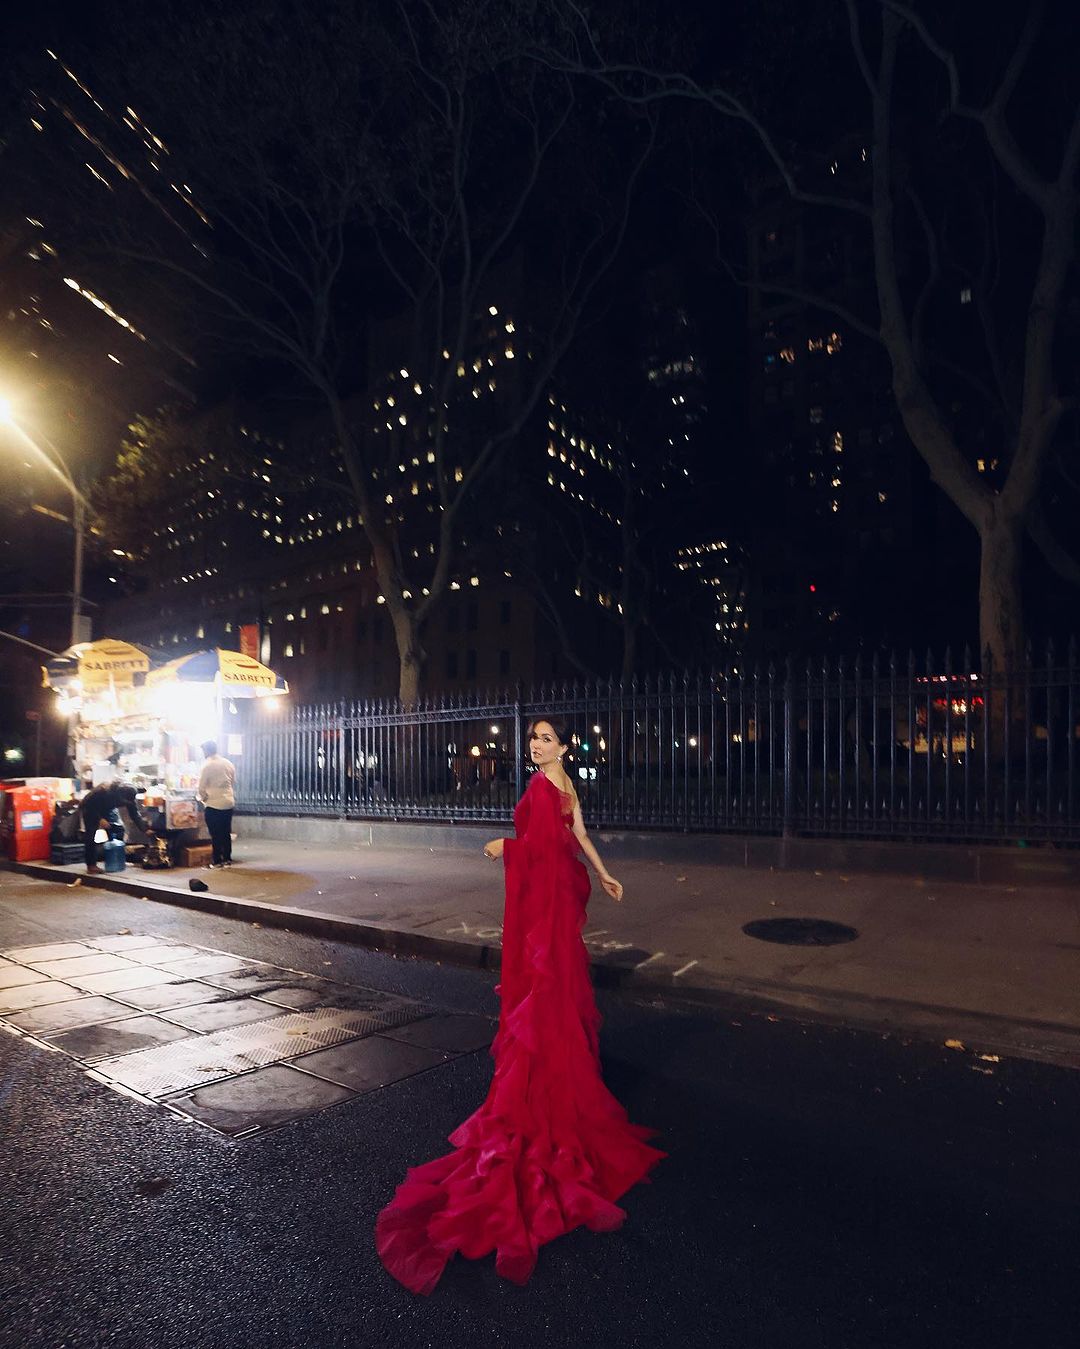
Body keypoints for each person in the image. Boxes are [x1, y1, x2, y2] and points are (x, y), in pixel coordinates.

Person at [376, 717, 664, 1294]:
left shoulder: (546, 787)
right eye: (532, 738)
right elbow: (576, 838)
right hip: (554, 898)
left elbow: (557, 841)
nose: (535, 746)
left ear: (563, 746)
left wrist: (505, 845)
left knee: (542, 986)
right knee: (553, 987)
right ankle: (559, 1071)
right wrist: (602, 875)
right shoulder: (560, 784)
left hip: (548, 900)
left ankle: (543, 1084)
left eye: (546, 739)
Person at [80, 780, 138, 874]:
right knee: (90, 836)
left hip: (108, 808)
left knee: (118, 829)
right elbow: (89, 806)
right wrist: (100, 819)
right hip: (90, 808)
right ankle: (91, 865)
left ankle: (117, 858)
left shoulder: (128, 796)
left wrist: (145, 829)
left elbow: (135, 815)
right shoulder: (102, 791)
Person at [197, 740, 236, 868]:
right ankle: (227, 858)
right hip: (228, 802)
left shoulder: (207, 765)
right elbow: (233, 781)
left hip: (213, 804)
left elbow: (201, 787)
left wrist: (204, 799)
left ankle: (217, 860)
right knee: (225, 832)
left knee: (215, 833)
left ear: (207, 751)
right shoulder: (228, 763)